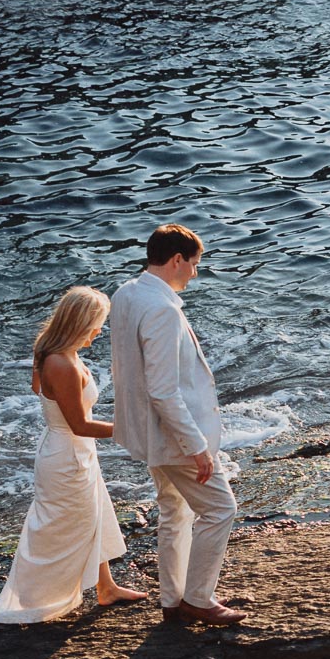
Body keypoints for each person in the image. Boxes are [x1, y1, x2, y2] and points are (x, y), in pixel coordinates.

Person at [0, 286, 147, 623]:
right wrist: (129, 429)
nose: (100, 331)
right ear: (80, 322)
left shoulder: (50, 349)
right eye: (97, 324)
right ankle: (30, 598)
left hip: (66, 449)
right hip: (66, 454)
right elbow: (80, 424)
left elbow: (37, 390)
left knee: (95, 514)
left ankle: (106, 587)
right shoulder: (61, 362)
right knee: (60, 526)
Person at [109, 223, 246, 626]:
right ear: (176, 261)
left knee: (174, 510)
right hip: (173, 436)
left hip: (149, 433)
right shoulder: (162, 310)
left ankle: (173, 599)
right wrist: (197, 447)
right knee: (221, 508)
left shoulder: (127, 293)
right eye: (194, 264)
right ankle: (199, 599)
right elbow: (163, 391)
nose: (195, 273)